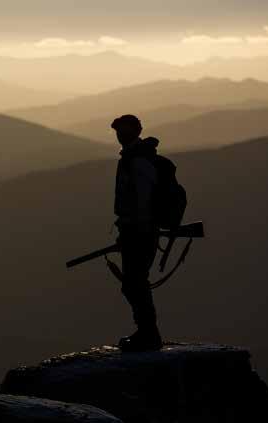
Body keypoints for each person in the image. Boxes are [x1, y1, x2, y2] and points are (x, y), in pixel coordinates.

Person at [111, 114, 163, 352]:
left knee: (135, 283)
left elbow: (143, 199)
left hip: (140, 232)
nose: (120, 135)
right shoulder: (133, 158)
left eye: (124, 130)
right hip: (135, 231)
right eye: (118, 131)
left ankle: (148, 334)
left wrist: (137, 228)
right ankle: (146, 332)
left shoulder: (138, 161)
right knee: (133, 283)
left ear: (135, 131)